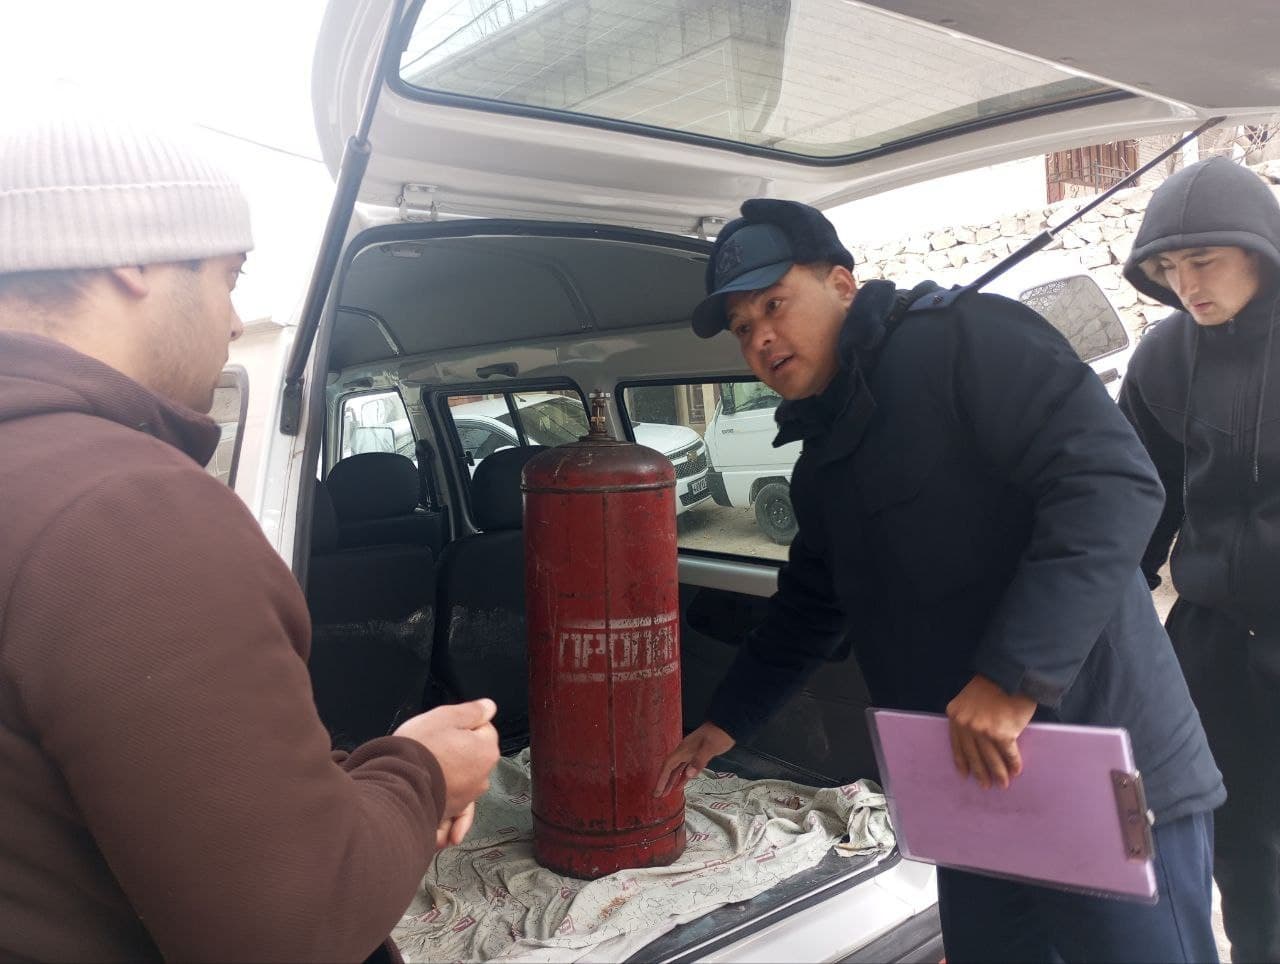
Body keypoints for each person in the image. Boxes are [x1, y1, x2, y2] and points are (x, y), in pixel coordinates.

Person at [656, 198, 1225, 962]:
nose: (760, 335)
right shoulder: (823, 459)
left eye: (774, 303)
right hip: (969, 792)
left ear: (844, 285)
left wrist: (1013, 677)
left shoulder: (967, 340)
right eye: (741, 326)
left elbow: (1113, 482)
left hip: (1100, 765)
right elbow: (809, 608)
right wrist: (723, 725)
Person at [0, 110, 499, 961]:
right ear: (132, 251)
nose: (233, 318)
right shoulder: (131, 513)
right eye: (230, 274)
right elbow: (291, 929)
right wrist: (418, 774)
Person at [1118, 155, 1280, 963]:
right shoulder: (1159, 361)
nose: (1186, 283)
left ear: (1261, 250)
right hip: (1214, 644)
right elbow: (1137, 511)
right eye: (1168, 268)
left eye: (1204, 261)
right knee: (1242, 849)